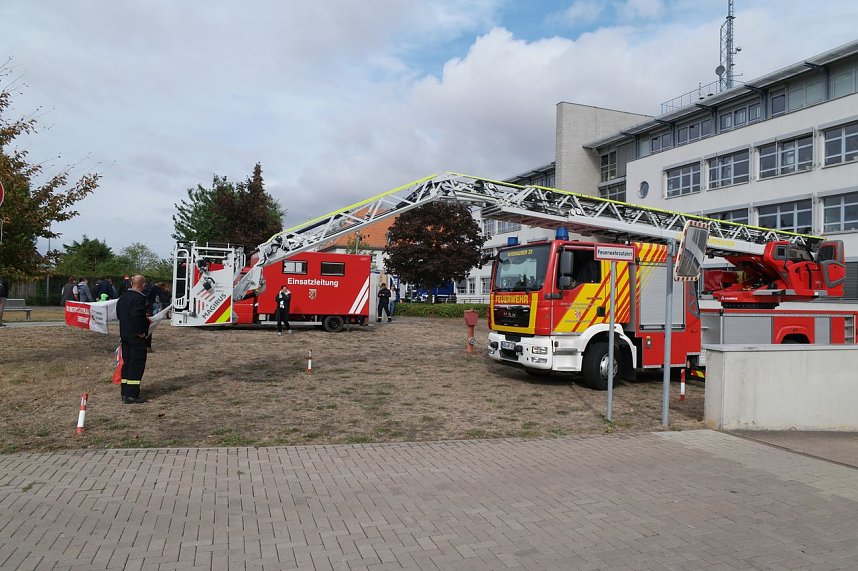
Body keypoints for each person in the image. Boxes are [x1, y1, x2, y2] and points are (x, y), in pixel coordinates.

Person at [116, 275, 150, 404]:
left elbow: (119, 315)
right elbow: (138, 317)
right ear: (143, 285)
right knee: (137, 364)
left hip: (125, 335)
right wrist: (141, 332)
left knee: (127, 363)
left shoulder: (122, 298)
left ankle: (125, 392)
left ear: (131, 283)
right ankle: (132, 395)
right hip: (136, 337)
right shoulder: (140, 299)